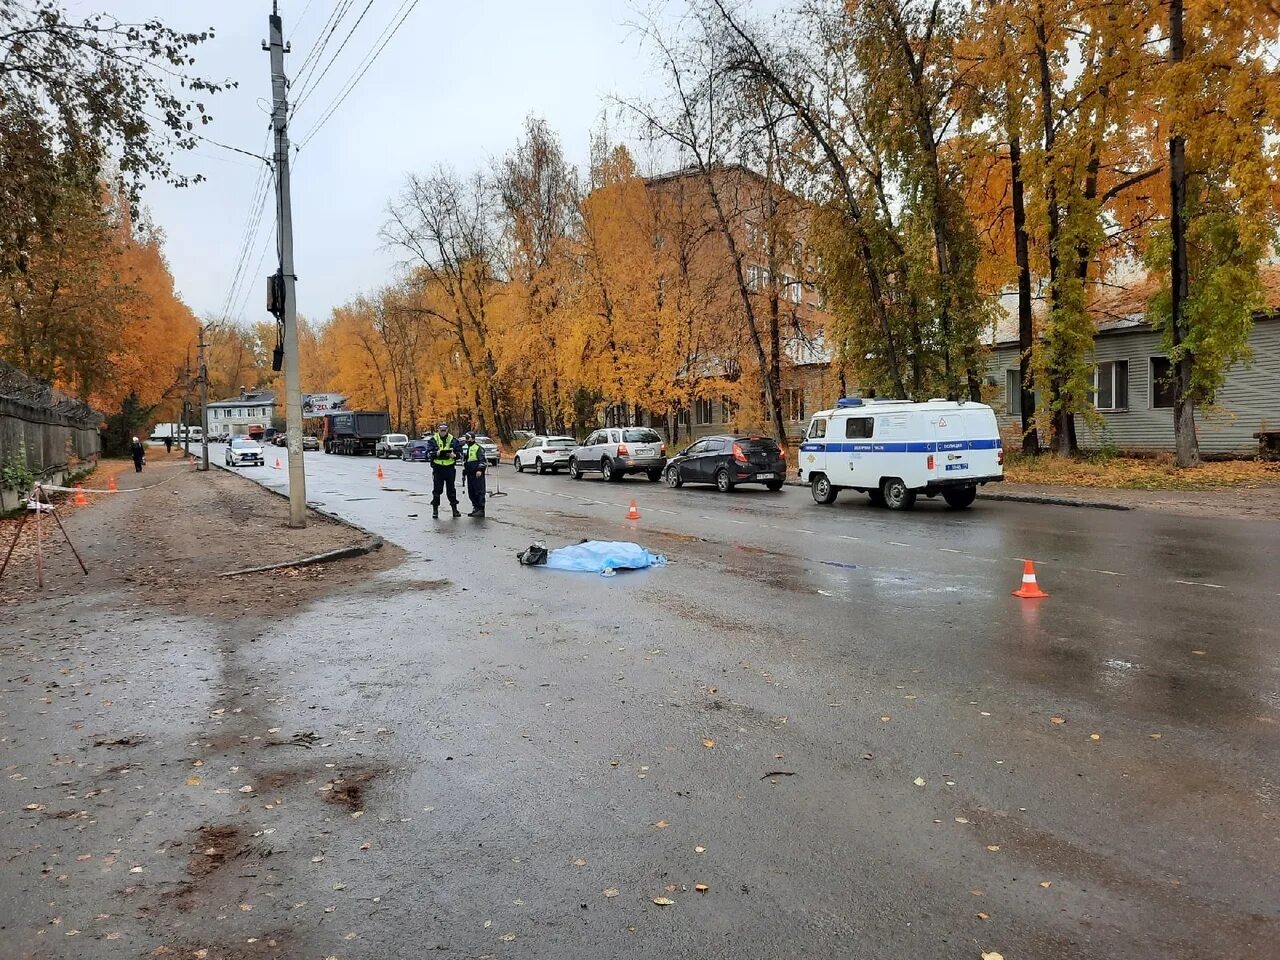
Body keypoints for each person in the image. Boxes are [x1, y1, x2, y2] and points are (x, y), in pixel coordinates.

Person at [425, 421, 463, 519]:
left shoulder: (454, 440)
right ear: (438, 430)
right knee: (437, 490)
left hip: (449, 468)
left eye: (444, 430)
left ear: (447, 430)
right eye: (441, 430)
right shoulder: (433, 440)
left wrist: (454, 455)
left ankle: (455, 510)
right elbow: (428, 454)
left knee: (451, 490)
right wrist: (436, 454)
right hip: (438, 468)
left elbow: (461, 454)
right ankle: (435, 510)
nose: (443, 432)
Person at [461, 431, 487, 517]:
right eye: (466, 439)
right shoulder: (468, 448)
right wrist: (465, 470)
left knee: (479, 491)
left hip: (477, 474)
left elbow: (482, 460)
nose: (467, 440)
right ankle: (475, 508)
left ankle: (480, 509)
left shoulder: (478, 448)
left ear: (472, 439)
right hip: (470, 474)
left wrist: (480, 469)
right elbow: (468, 461)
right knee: (471, 492)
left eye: (468, 438)